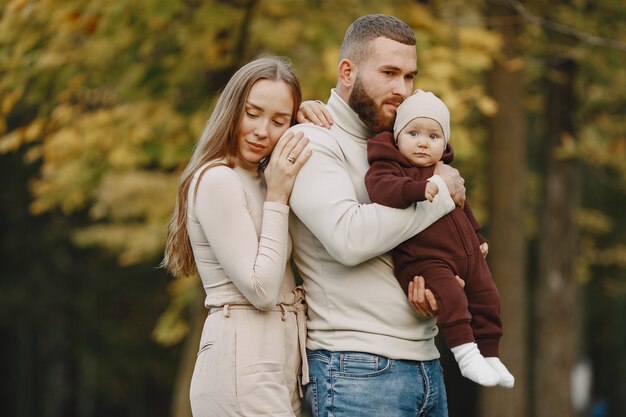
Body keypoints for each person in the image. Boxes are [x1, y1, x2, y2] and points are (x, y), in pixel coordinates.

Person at [287, 14, 467, 417]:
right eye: (389, 73)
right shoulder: (313, 140)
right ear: (347, 72)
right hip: (356, 370)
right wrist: (439, 194)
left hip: (427, 365)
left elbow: (432, 238)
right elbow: (349, 239)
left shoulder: (406, 147)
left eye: (409, 77)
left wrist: (447, 278)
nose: (402, 90)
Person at [161, 56, 312, 417]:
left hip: (277, 362)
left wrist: (315, 119)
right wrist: (277, 196)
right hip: (241, 361)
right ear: (232, 110)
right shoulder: (218, 180)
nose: (263, 131)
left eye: (280, 121)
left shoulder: (266, 176)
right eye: (253, 113)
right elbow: (260, 290)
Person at [364, 89, 515, 388]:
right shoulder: (389, 167)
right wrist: (417, 189)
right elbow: (381, 190)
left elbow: (461, 205)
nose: (423, 142)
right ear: (397, 136)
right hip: (425, 259)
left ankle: (490, 354)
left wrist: (476, 233)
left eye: (433, 137)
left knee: (488, 297)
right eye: (414, 133)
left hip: (466, 254)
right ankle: (466, 354)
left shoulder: (444, 171)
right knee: (452, 298)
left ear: (444, 143)